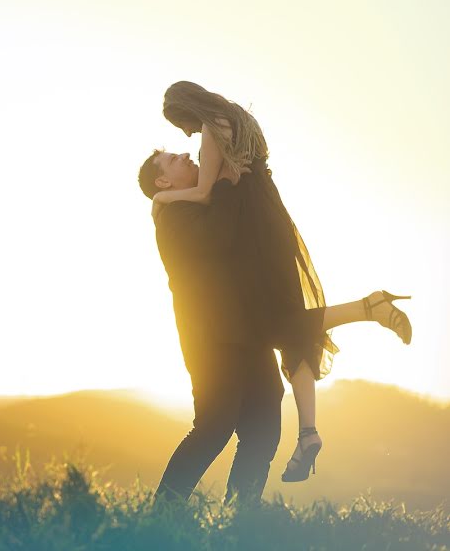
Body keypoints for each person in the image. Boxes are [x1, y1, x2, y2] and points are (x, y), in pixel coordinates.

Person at [149, 81, 413, 482]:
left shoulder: (210, 139)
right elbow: (216, 225)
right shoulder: (182, 202)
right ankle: (307, 428)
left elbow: (210, 199)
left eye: (184, 131)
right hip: (230, 305)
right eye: (173, 157)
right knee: (225, 416)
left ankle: (246, 511)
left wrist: (173, 196)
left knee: (272, 358)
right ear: (164, 181)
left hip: (256, 255)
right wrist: (178, 198)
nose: (186, 145)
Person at [139, 150, 283, 505]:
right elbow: (218, 236)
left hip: (248, 333)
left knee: (263, 426)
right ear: (163, 182)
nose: (186, 154)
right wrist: (228, 183)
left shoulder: (195, 202)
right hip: (211, 341)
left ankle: (239, 513)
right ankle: (164, 508)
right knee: (214, 425)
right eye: (174, 159)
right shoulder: (172, 216)